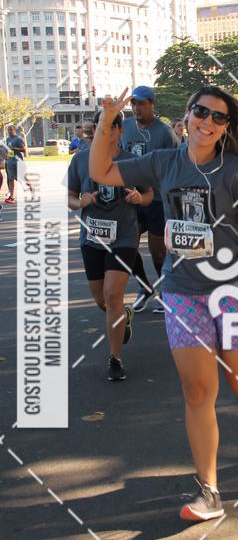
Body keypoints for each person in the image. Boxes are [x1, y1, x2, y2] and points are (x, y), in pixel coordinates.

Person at [90, 85, 238, 522]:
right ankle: (209, 491)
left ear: (227, 127)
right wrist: (105, 122)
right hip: (182, 290)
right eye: (201, 113)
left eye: (218, 117)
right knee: (197, 391)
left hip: (236, 287)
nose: (207, 122)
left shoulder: (236, 172)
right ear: (188, 115)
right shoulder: (164, 161)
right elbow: (102, 171)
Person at [68, 110, 152, 380]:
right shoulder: (80, 160)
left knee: (113, 294)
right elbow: (69, 197)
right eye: (97, 127)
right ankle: (124, 316)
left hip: (124, 238)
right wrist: (79, 202)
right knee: (102, 300)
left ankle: (115, 358)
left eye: (106, 127)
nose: (100, 132)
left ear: (118, 130)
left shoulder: (131, 162)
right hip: (92, 239)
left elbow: (150, 193)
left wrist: (140, 198)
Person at [120, 86, 178, 313]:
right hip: (129, 197)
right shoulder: (124, 127)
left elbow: (175, 167)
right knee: (125, 245)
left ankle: (165, 291)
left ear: (152, 104)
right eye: (133, 104)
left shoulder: (164, 132)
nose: (136, 108)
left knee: (157, 250)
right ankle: (144, 286)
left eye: (141, 104)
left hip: (157, 199)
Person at [3, 124, 27, 204]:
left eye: (11, 129)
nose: (9, 131)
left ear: (14, 130)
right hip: (10, 162)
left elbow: (24, 149)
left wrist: (14, 149)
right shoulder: (8, 139)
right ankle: (12, 196)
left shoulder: (18, 139)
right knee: (10, 179)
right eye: (8, 130)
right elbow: (8, 150)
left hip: (18, 162)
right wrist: (6, 156)